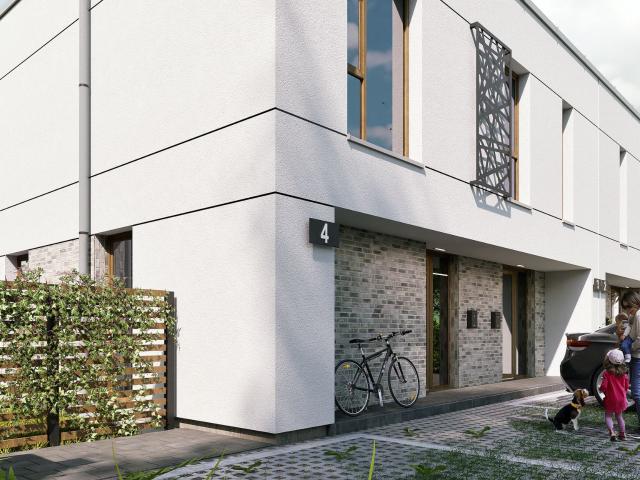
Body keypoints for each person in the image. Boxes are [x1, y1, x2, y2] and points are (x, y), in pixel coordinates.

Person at [620, 290, 640, 429]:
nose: (627, 309)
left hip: (638, 357)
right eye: (625, 307)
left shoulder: (638, 315)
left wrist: (630, 348)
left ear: (636, 302)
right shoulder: (635, 315)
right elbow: (629, 328)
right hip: (636, 357)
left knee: (637, 393)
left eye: (629, 306)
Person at [600, 349, 629, 441]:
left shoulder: (607, 373)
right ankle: (622, 434)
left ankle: (612, 433)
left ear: (608, 360)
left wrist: (602, 390)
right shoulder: (624, 373)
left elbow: (604, 386)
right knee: (619, 416)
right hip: (621, 399)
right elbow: (626, 387)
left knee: (608, 415)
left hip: (610, 398)